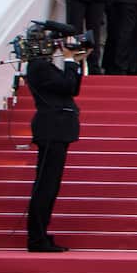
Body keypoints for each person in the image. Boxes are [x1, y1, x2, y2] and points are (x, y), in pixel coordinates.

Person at [24, 40, 82, 252]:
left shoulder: (44, 67)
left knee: (50, 186)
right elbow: (66, 85)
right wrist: (68, 59)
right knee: (46, 186)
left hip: (57, 130)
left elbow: (72, 88)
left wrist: (74, 62)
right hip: (51, 129)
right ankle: (36, 238)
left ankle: (40, 235)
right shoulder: (39, 67)